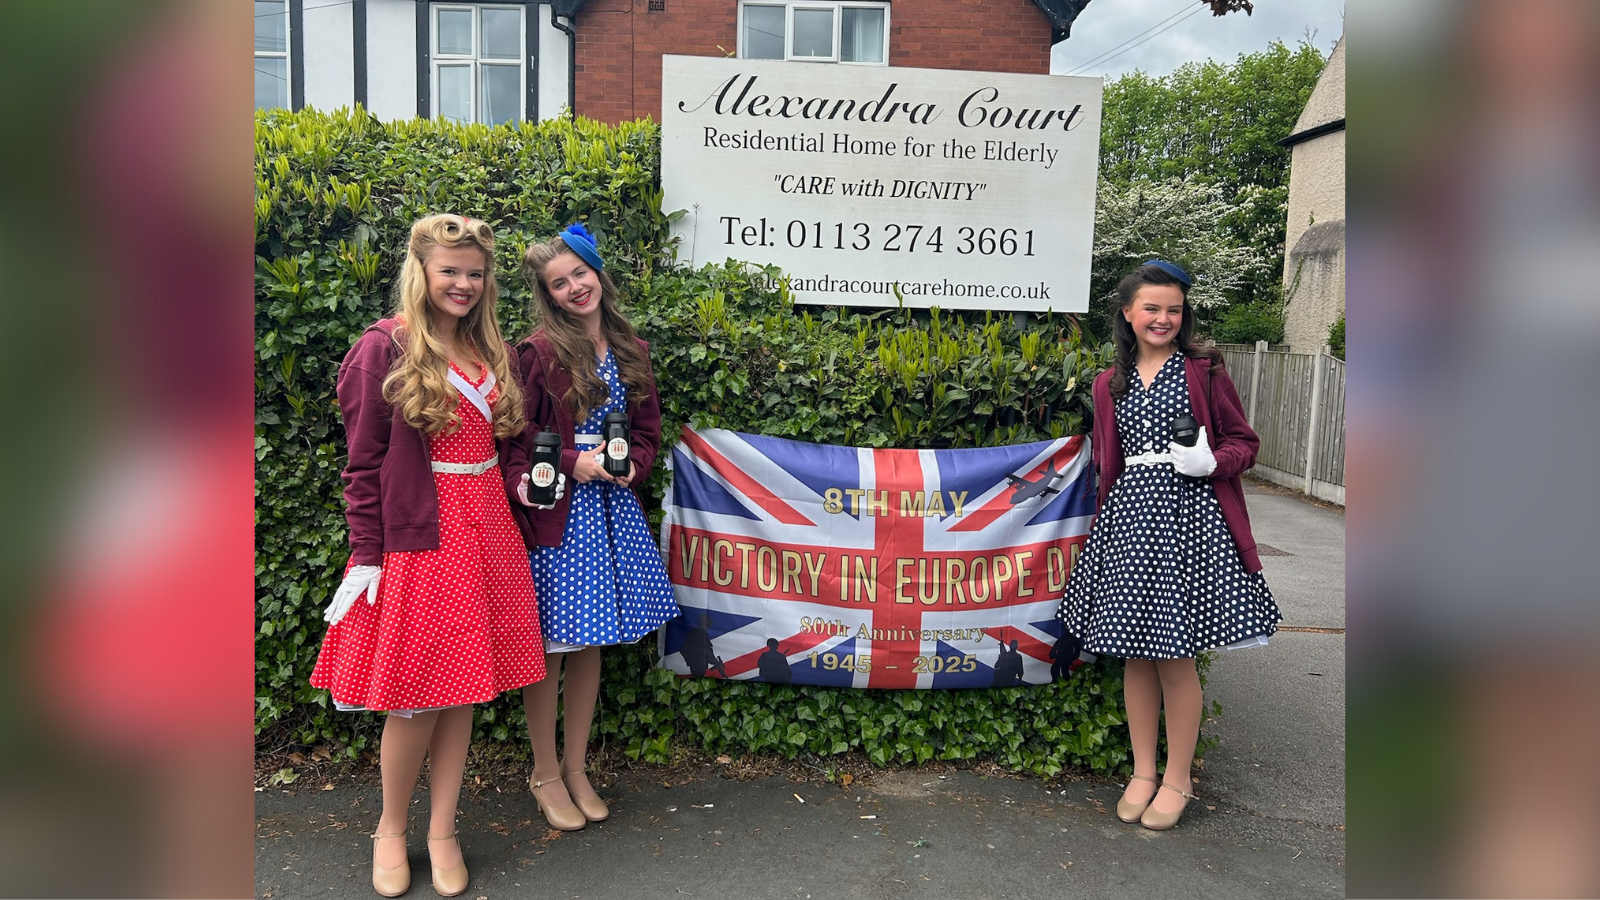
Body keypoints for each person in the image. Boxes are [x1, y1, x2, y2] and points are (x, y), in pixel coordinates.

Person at [310, 214, 547, 897]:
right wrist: (367, 555)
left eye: (475, 273)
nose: (464, 284)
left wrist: (525, 479)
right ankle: (390, 827)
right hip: (423, 537)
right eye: (451, 270)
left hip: (489, 533)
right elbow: (363, 466)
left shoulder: (488, 348)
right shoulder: (383, 348)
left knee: (466, 687)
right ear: (421, 270)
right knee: (414, 699)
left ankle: (442, 828)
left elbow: (504, 450)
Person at [1057, 260, 1280, 832]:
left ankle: (1178, 777)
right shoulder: (1110, 383)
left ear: (1185, 316)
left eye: (1173, 309)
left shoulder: (1203, 372)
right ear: (1127, 314)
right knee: (1136, 653)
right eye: (1151, 308)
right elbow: (1108, 459)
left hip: (1190, 522)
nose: (1163, 318)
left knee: (1175, 656)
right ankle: (1142, 771)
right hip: (1130, 523)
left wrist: (1212, 462)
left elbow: (1243, 443)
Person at [506, 223, 679, 832]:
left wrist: (635, 464)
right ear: (548, 295)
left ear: (597, 272)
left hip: (610, 511)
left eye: (580, 273)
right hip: (557, 516)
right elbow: (514, 437)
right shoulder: (536, 353)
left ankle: (577, 767)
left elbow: (649, 430)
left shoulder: (632, 346)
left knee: (592, 643)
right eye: (560, 283)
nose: (575, 287)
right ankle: (545, 773)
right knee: (552, 649)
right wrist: (570, 462)